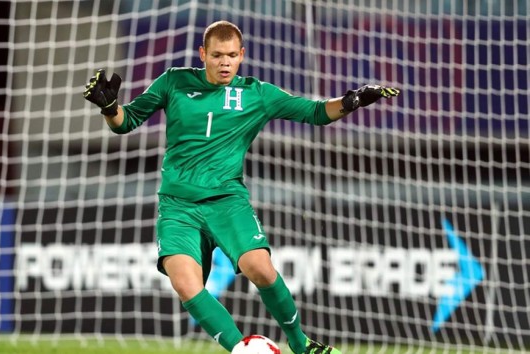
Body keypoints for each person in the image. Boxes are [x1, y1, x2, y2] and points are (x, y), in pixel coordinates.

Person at [84, 20, 399, 354]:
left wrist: (353, 101)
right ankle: (241, 350)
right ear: (203, 54)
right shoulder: (174, 81)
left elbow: (316, 112)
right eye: (218, 55)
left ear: (242, 55)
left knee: (260, 268)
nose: (225, 62)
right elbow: (126, 121)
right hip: (178, 206)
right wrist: (109, 108)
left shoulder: (256, 94)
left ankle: (300, 344)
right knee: (184, 283)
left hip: (226, 201)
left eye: (232, 55)